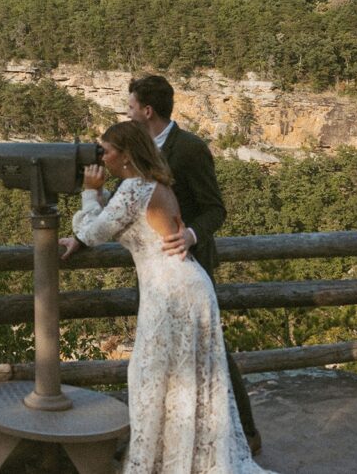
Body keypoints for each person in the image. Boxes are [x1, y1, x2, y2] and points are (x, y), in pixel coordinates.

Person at [61, 121, 270, 473]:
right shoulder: (147, 184)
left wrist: (88, 192)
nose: (102, 157)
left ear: (125, 155)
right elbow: (117, 218)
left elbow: (92, 231)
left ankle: (165, 460)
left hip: (170, 291)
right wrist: (98, 203)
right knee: (177, 377)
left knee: (152, 376)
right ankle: (179, 457)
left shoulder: (133, 190)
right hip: (182, 285)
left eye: (106, 151)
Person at [124, 74, 262, 455]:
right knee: (158, 352)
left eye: (131, 106)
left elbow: (216, 208)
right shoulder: (136, 150)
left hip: (189, 265)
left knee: (211, 348)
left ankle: (246, 431)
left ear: (147, 110)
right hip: (153, 271)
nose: (128, 112)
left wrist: (191, 236)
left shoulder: (190, 149)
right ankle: (157, 437)